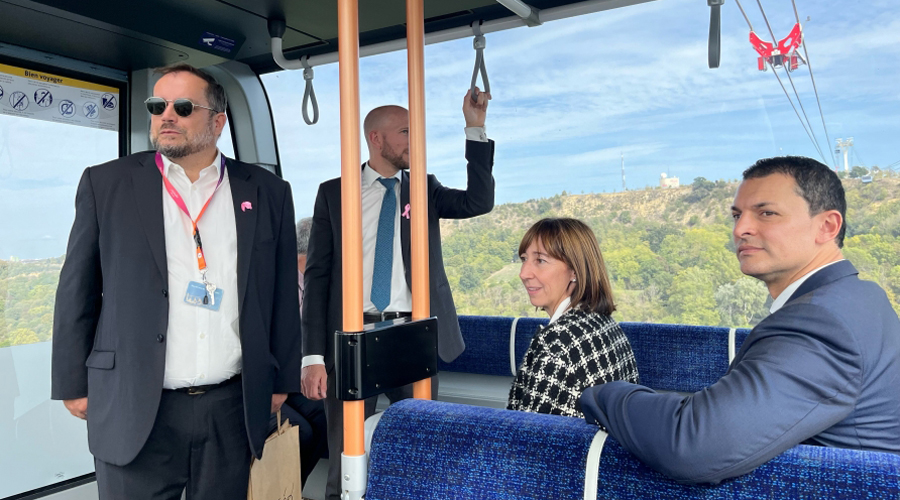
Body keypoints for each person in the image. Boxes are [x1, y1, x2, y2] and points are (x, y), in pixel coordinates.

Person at [50, 63, 301, 500]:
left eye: (183, 107)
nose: (167, 115)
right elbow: (77, 289)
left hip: (231, 405)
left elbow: (279, 293)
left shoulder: (266, 191)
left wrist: (281, 379)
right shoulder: (106, 183)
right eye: (157, 105)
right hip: (133, 402)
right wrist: (72, 381)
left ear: (217, 122)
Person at [581, 156, 900, 484]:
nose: (740, 229)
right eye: (737, 215)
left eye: (766, 213)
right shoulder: (857, 297)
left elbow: (693, 446)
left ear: (827, 226)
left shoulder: (822, 324)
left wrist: (602, 393)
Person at [302, 88, 494, 500]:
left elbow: (479, 201)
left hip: (412, 335)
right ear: (376, 138)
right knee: (346, 460)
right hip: (353, 338)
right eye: (406, 131)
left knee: (425, 454)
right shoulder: (334, 194)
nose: (415, 140)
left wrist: (475, 128)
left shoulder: (423, 187)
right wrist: (313, 356)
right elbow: (317, 279)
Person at [508, 218, 639, 417]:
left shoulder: (557, 344)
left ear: (574, 271)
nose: (524, 273)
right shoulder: (606, 324)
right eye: (524, 259)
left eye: (540, 260)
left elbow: (527, 438)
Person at [267, 215, 326, 486]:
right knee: (301, 433)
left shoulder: (316, 280)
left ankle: (290, 489)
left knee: (326, 419)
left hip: (291, 378)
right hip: (266, 381)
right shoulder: (274, 280)